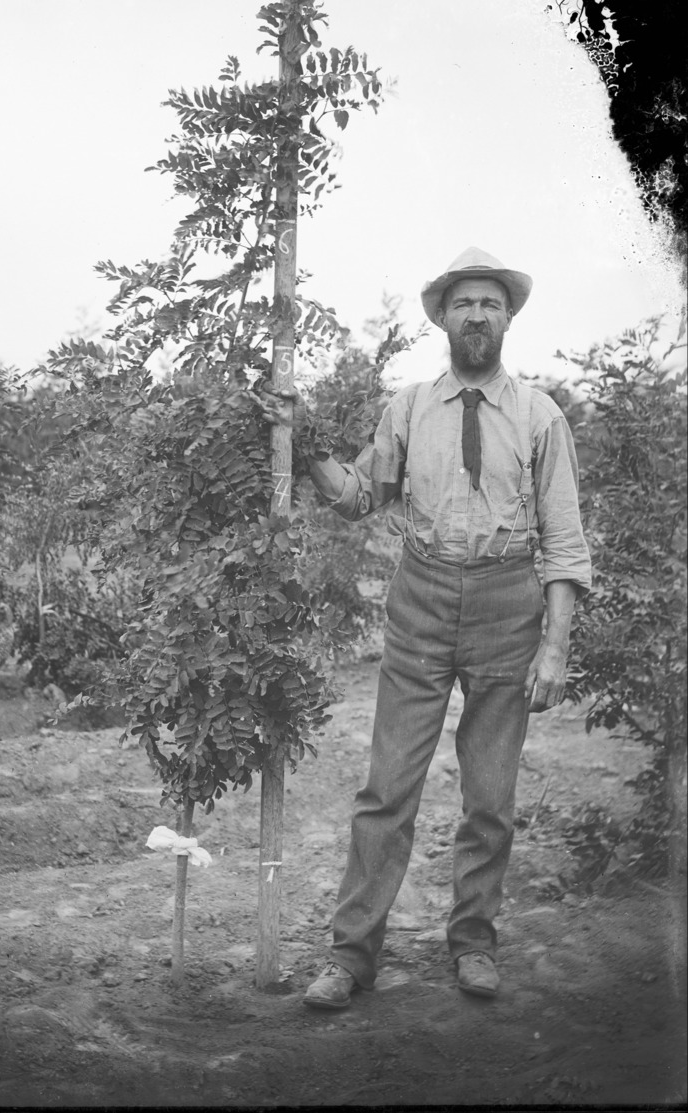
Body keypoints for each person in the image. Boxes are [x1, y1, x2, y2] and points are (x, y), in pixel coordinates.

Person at [256, 246, 591, 1007]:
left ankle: (474, 944)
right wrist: (303, 444)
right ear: (441, 318)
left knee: (489, 796)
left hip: (508, 604)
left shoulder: (539, 416)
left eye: (490, 303)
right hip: (421, 598)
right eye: (463, 303)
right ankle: (350, 957)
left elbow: (565, 541)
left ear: (508, 318)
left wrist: (554, 645)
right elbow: (357, 497)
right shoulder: (407, 408)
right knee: (387, 788)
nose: (476, 315)